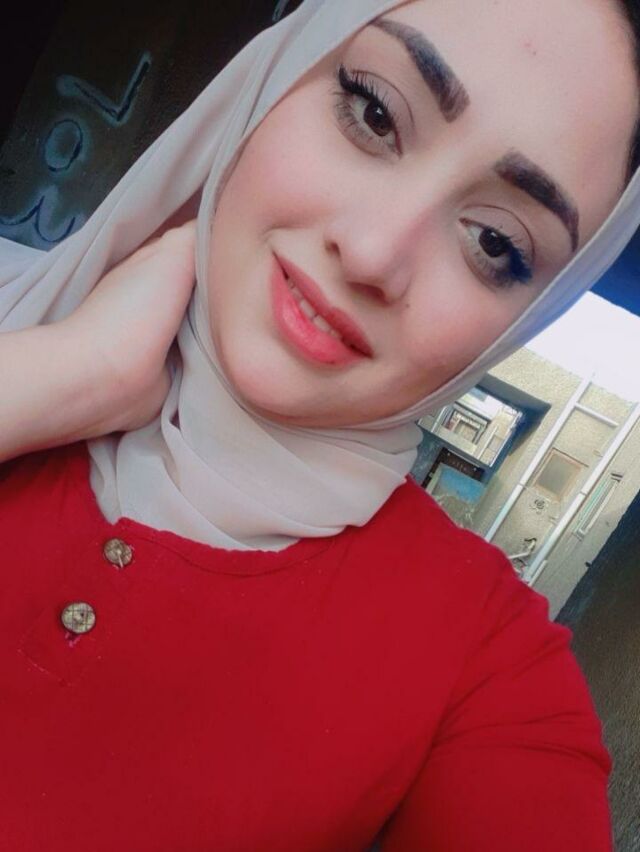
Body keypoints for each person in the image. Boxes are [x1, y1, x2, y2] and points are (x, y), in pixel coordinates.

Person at [0, 0, 639, 848]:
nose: (373, 253)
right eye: (373, 113)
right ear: (272, 76)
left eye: (495, 243)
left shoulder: (486, 674)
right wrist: (54, 377)